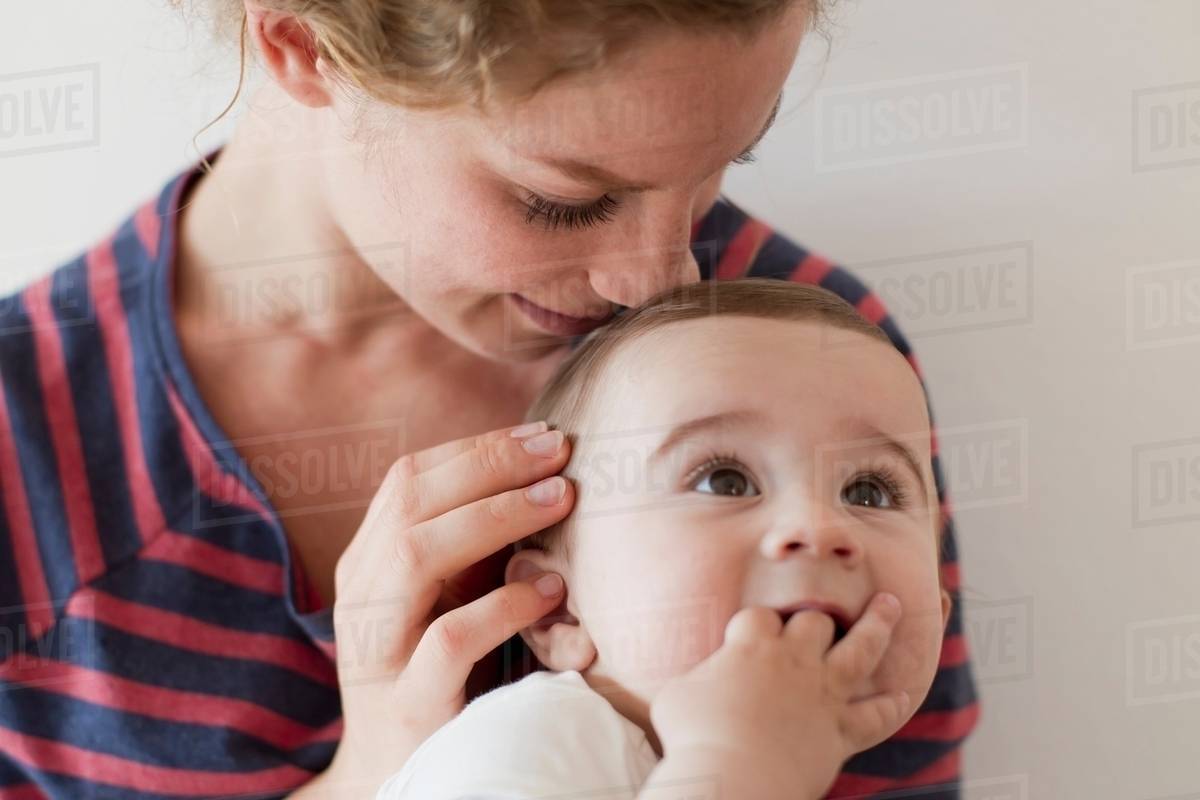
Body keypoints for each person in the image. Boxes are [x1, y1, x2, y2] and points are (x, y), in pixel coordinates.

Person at [0, 1, 976, 797]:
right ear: (299, 44)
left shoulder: (805, 357)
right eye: (567, 199)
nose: (662, 276)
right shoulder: (25, 448)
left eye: (721, 168)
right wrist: (371, 776)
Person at [376, 280, 953, 800]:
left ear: (941, 607)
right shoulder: (526, 743)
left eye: (871, 492)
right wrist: (742, 768)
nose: (820, 529)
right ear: (559, 614)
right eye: (724, 480)